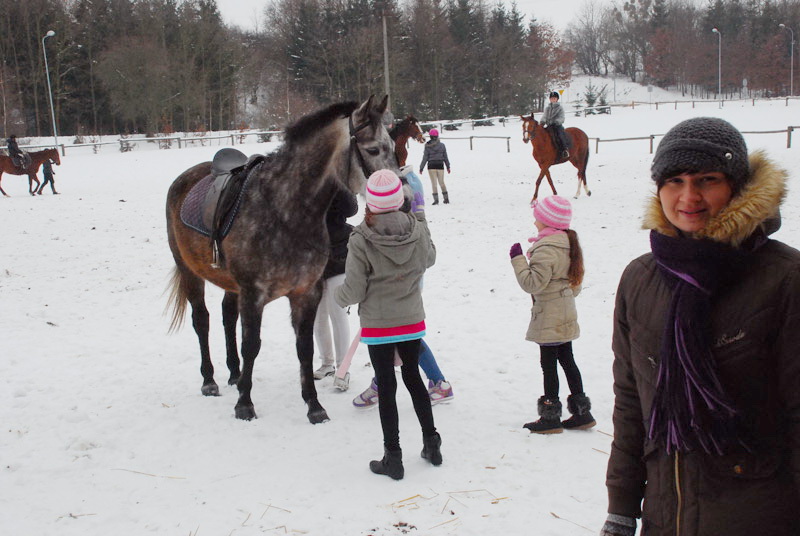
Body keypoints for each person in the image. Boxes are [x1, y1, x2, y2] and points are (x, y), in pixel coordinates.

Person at [601, 117, 800, 536]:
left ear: (738, 186)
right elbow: (631, 403)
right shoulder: (640, 279)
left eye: (706, 179)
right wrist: (621, 508)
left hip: (757, 515)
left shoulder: (785, 279)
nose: (689, 196)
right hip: (665, 515)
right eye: (674, 180)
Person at [335, 169, 441, 480]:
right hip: (411, 320)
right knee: (413, 378)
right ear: (400, 199)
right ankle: (432, 443)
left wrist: (338, 299)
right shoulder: (417, 229)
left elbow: (353, 290)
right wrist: (423, 222)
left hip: (379, 325)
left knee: (387, 384)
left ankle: (392, 457)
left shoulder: (360, 238)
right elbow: (430, 258)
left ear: (370, 202)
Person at [351, 164, 454, 408]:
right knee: (398, 335)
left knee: (401, 335)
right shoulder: (388, 181)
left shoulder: (407, 183)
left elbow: (423, 247)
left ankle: (437, 382)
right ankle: (387, 381)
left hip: (404, 277)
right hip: (393, 279)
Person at [509, 195, 595, 434]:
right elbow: (575, 284)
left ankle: (550, 416)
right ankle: (582, 413)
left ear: (547, 222)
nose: (534, 220)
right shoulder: (569, 243)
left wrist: (517, 260)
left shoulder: (546, 249)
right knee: (567, 359)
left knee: (549, 364)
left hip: (549, 314)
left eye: (538, 217)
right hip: (565, 311)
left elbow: (532, 284)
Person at [312, 186, 358, 389]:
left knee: (337, 313)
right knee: (317, 316)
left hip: (338, 254)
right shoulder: (303, 182)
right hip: (311, 258)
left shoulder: (339, 183)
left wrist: (337, 185)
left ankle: (342, 367)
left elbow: (351, 209)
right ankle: (327, 363)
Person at [419, 128, 451, 205]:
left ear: (430, 136)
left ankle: (436, 200)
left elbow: (425, 158)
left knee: (434, 184)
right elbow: (445, 157)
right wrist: (448, 166)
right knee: (441, 182)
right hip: (440, 165)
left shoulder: (427, 145)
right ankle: (446, 198)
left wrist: (421, 167)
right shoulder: (442, 145)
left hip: (431, 166)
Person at [540, 91, 570, 159]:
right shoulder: (547, 108)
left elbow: (562, 117)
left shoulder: (560, 108)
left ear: (557, 99)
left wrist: (557, 121)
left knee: (560, 136)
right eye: (552, 98)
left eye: (554, 98)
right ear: (550, 99)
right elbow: (544, 116)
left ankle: (565, 150)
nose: (553, 99)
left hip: (557, 126)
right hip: (549, 126)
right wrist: (542, 121)